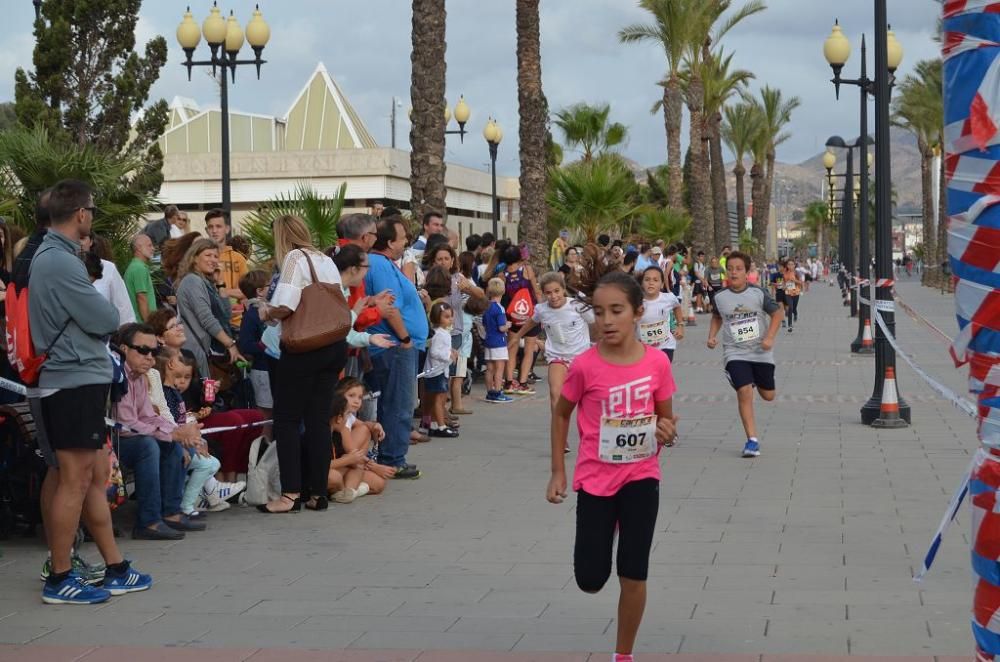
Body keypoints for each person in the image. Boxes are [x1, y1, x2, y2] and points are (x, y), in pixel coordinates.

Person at [30, 180, 152, 604]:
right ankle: (60, 576)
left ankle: (111, 567)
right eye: (92, 211)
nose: (93, 218)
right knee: (76, 479)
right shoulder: (59, 262)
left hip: (77, 378)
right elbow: (106, 316)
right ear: (81, 214)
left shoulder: (57, 257)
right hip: (73, 377)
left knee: (88, 477)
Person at [547, 271, 678, 662]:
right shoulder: (585, 366)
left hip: (641, 477)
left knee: (634, 569)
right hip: (594, 479)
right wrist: (558, 470)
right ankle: (606, 537)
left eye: (616, 310)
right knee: (590, 579)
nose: (606, 320)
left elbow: (666, 419)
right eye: (599, 312)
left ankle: (623, 655)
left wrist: (665, 432)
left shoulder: (657, 363)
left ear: (638, 312)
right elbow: (561, 414)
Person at [256, 215, 350, 513]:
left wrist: (264, 312)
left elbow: (286, 303)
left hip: (304, 348)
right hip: (333, 344)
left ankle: (290, 493)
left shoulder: (295, 258)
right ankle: (317, 492)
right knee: (318, 419)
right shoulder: (326, 260)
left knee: (287, 418)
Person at [144, 307, 262, 487]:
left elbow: (199, 392)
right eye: (173, 326)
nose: (180, 328)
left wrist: (209, 392)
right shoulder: (159, 362)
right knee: (234, 420)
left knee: (256, 417)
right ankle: (225, 480)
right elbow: (166, 398)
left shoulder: (189, 354)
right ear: (160, 338)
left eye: (179, 323)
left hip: (202, 411)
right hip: (184, 417)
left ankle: (241, 476)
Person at [114, 323, 207, 539]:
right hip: (111, 440)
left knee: (172, 444)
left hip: (128, 435)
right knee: (148, 446)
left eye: (154, 352)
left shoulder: (138, 375)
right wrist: (172, 434)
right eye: (143, 350)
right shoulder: (119, 375)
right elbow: (126, 425)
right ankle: (148, 522)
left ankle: (171, 512)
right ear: (124, 349)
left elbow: (149, 416)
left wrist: (180, 431)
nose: (150, 358)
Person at [363, 216, 428, 480]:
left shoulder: (385, 264)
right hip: (393, 347)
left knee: (398, 402)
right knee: (398, 403)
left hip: (396, 346)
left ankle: (392, 454)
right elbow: (389, 308)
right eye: (403, 238)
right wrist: (404, 338)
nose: (405, 243)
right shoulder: (379, 265)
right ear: (390, 242)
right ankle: (392, 457)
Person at [707, 250, 783, 458]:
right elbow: (717, 317)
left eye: (738, 269)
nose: (733, 273)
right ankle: (752, 440)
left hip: (761, 352)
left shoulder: (758, 293)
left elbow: (777, 314)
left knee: (768, 396)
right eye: (730, 269)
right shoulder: (720, 297)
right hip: (735, 352)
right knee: (744, 391)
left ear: (747, 271)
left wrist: (769, 337)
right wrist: (712, 336)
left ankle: (756, 379)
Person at [157, 349, 231, 518]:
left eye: (186, 377)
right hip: (170, 443)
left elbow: (180, 423)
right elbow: (169, 425)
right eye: (177, 376)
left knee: (211, 462)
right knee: (205, 463)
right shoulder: (167, 395)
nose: (181, 382)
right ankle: (186, 503)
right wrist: (184, 446)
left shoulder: (175, 394)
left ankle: (190, 501)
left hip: (180, 441)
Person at [512, 272, 593, 417]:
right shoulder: (542, 309)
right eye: (548, 293)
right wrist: (517, 336)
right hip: (557, 357)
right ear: (543, 293)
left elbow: (596, 323)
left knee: (585, 399)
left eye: (557, 291)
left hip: (581, 358)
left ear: (563, 289)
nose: (553, 296)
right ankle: (559, 436)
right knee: (555, 394)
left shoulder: (577, 306)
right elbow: (532, 321)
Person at [175, 238, 245, 379]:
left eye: (216, 256)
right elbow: (207, 319)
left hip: (205, 349)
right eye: (208, 255)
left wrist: (220, 283)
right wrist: (230, 344)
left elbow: (226, 314)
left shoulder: (207, 283)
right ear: (194, 258)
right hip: (194, 351)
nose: (213, 260)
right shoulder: (192, 281)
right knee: (202, 396)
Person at [237, 270, 275, 433]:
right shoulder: (251, 315)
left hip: (272, 368)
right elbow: (245, 344)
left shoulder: (270, 311)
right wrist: (264, 345)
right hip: (262, 371)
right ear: (260, 291)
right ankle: (264, 448)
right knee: (265, 414)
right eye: (269, 286)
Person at [501, 245, 540, 395]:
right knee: (529, 350)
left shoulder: (503, 274)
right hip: (529, 314)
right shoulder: (526, 270)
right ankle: (523, 383)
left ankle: (509, 382)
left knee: (512, 349)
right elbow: (535, 290)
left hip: (513, 316)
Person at [204, 209, 248, 327]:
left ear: (227, 229)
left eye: (218, 226)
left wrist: (224, 292)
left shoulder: (238, 259)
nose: (214, 231)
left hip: (236, 322)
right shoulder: (200, 259)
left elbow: (246, 291)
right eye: (210, 227)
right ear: (206, 230)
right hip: (209, 322)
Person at [81, 233, 135, 326]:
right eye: (74, 238)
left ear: (91, 241)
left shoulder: (108, 268)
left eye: (82, 238)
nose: (79, 243)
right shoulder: (59, 269)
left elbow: (124, 309)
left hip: (104, 336)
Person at [423, 301, 459, 437]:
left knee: (433, 398)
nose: (450, 319)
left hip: (440, 370)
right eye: (446, 316)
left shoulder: (443, 333)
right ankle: (441, 425)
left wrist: (451, 350)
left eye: (451, 316)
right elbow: (434, 352)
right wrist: (448, 354)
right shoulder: (439, 334)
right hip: (436, 371)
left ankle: (427, 424)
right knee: (439, 399)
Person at [637, 267, 683, 362]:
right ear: (642, 283)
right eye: (647, 279)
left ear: (662, 284)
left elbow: (677, 307)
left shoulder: (669, 298)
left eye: (655, 280)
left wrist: (680, 325)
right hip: (643, 347)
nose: (651, 283)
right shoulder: (636, 302)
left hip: (666, 346)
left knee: (661, 373)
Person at [483, 278, 514, 403]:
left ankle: (489, 391)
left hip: (489, 339)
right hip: (499, 341)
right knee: (499, 368)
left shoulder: (487, 307)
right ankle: (497, 391)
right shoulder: (499, 308)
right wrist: (508, 325)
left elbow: (484, 324)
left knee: (489, 368)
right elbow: (501, 327)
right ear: (503, 291)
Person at [123, 233, 158, 322]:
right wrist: (150, 325)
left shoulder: (137, 267)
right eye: (149, 245)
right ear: (139, 248)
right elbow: (141, 298)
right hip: (143, 325)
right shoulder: (139, 268)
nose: (153, 248)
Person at [781, 259, 803, 332]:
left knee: (794, 307)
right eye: (789, 264)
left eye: (792, 264)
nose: (790, 266)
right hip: (788, 292)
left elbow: (801, 283)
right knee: (790, 307)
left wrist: (795, 280)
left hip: (796, 292)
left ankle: (795, 313)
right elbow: (783, 282)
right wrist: (783, 286)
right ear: (787, 265)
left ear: (794, 265)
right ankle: (790, 325)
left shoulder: (797, 273)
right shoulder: (785, 273)